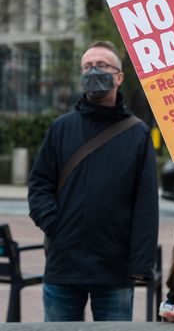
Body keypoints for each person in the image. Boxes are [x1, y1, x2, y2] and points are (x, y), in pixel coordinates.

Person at [28, 40, 159, 321]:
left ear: (119, 77)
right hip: (63, 265)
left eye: (101, 65)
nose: (93, 71)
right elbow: (39, 185)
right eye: (87, 66)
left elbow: (146, 204)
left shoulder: (137, 134)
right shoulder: (61, 128)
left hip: (114, 268)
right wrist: (54, 224)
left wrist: (141, 264)